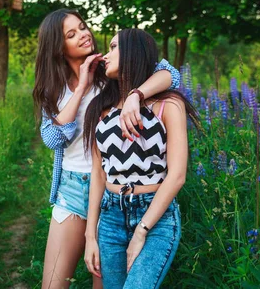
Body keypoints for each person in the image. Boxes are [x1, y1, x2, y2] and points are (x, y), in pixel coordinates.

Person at [32, 10, 181, 288]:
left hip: (114, 191)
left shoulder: (112, 67)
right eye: (71, 34)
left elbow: (171, 74)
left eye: (83, 27)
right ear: (57, 46)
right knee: (53, 284)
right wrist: (81, 90)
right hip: (74, 190)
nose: (84, 34)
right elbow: (53, 138)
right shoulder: (53, 88)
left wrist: (137, 95)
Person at [83, 28, 198, 289]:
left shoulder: (168, 104)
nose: (105, 56)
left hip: (155, 217)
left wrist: (142, 230)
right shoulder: (100, 110)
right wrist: (91, 236)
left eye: (114, 48)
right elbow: (98, 173)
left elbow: (177, 175)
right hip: (111, 217)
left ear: (133, 51)